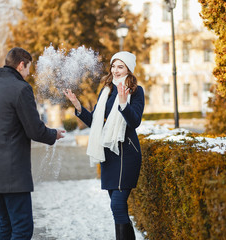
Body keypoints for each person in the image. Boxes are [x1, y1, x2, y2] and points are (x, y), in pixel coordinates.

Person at [0, 47, 65, 240]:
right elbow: (34, 130)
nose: (29, 73)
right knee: (22, 228)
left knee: (5, 223)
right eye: (28, 68)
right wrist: (53, 134)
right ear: (21, 64)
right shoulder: (21, 89)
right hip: (13, 173)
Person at [64, 51, 145, 240]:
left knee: (117, 205)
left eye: (120, 66)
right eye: (113, 66)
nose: (115, 70)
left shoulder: (136, 91)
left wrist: (124, 103)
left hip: (126, 153)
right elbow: (95, 122)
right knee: (119, 209)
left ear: (129, 69)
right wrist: (78, 106)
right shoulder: (106, 91)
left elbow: (135, 122)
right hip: (108, 154)